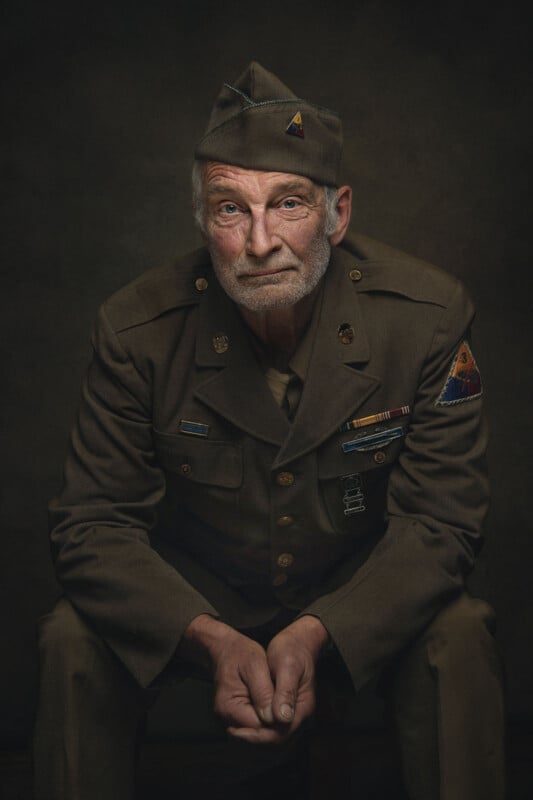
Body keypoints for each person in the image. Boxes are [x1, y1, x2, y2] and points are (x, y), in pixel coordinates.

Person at [34, 61, 505, 799]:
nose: (260, 242)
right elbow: (92, 524)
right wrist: (207, 636)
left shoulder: (426, 317)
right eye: (230, 210)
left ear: (338, 213)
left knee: (460, 632)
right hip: (203, 592)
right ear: (201, 220)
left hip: (358, 585)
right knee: (72, 638)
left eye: (288, 204)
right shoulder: (138, 329)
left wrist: (322, 630)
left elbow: (443, 522)